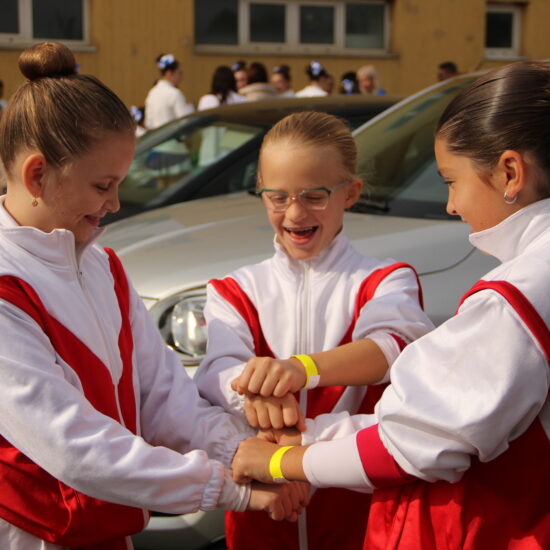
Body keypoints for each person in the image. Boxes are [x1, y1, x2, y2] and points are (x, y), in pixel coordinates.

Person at [0, 41, 309, 550]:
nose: (115, 203)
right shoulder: (7, 288)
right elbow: (73, 445)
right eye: (103, 185)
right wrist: (228, 485)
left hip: (104, 529)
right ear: (38, 175)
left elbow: (162, 394)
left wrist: (240, 449)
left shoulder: (101, 266)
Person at [231, 61, 550, 550]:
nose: (451, 205)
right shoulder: (236, 286)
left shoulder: (515, 296)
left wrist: (280, 458)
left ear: (510, 172)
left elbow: (412, 445)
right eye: (276, 196)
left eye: (451, 181)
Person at [195, 111, 434, 549]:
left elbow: (392, 346)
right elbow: (217, 370)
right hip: (264, 508)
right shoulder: (234, 289)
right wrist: (259, 400)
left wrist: (299, 370)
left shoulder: (384, 280)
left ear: (351, 193)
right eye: (277, 197)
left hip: (355, 511)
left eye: (314, 196)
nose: (295, 212)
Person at [144, 53, 194, 130]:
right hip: (172, 135)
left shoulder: (152, 92)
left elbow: (148, 123)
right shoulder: (175, 93)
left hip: (155, 136)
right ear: (170, 73)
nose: (181, 77)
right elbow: (184, 120)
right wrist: (190, 107)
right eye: (179, 73)